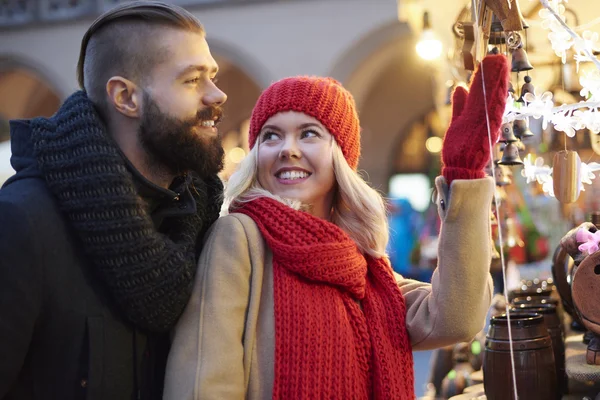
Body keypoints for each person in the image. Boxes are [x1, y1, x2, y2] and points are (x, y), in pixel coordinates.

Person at [164, 55, 509, 399]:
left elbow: (455, 318)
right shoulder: (240, 238)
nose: (288, 149)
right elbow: (204, 382)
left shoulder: (361, 265)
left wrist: (464, 175)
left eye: (309, 134)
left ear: (340, 155)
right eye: (271, 136)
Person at [0, 2, 226, 399]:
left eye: (213, 76)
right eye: (192, 80)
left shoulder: (200, 223)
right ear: (126, 97)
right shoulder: (23, 224)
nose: (217, 94)